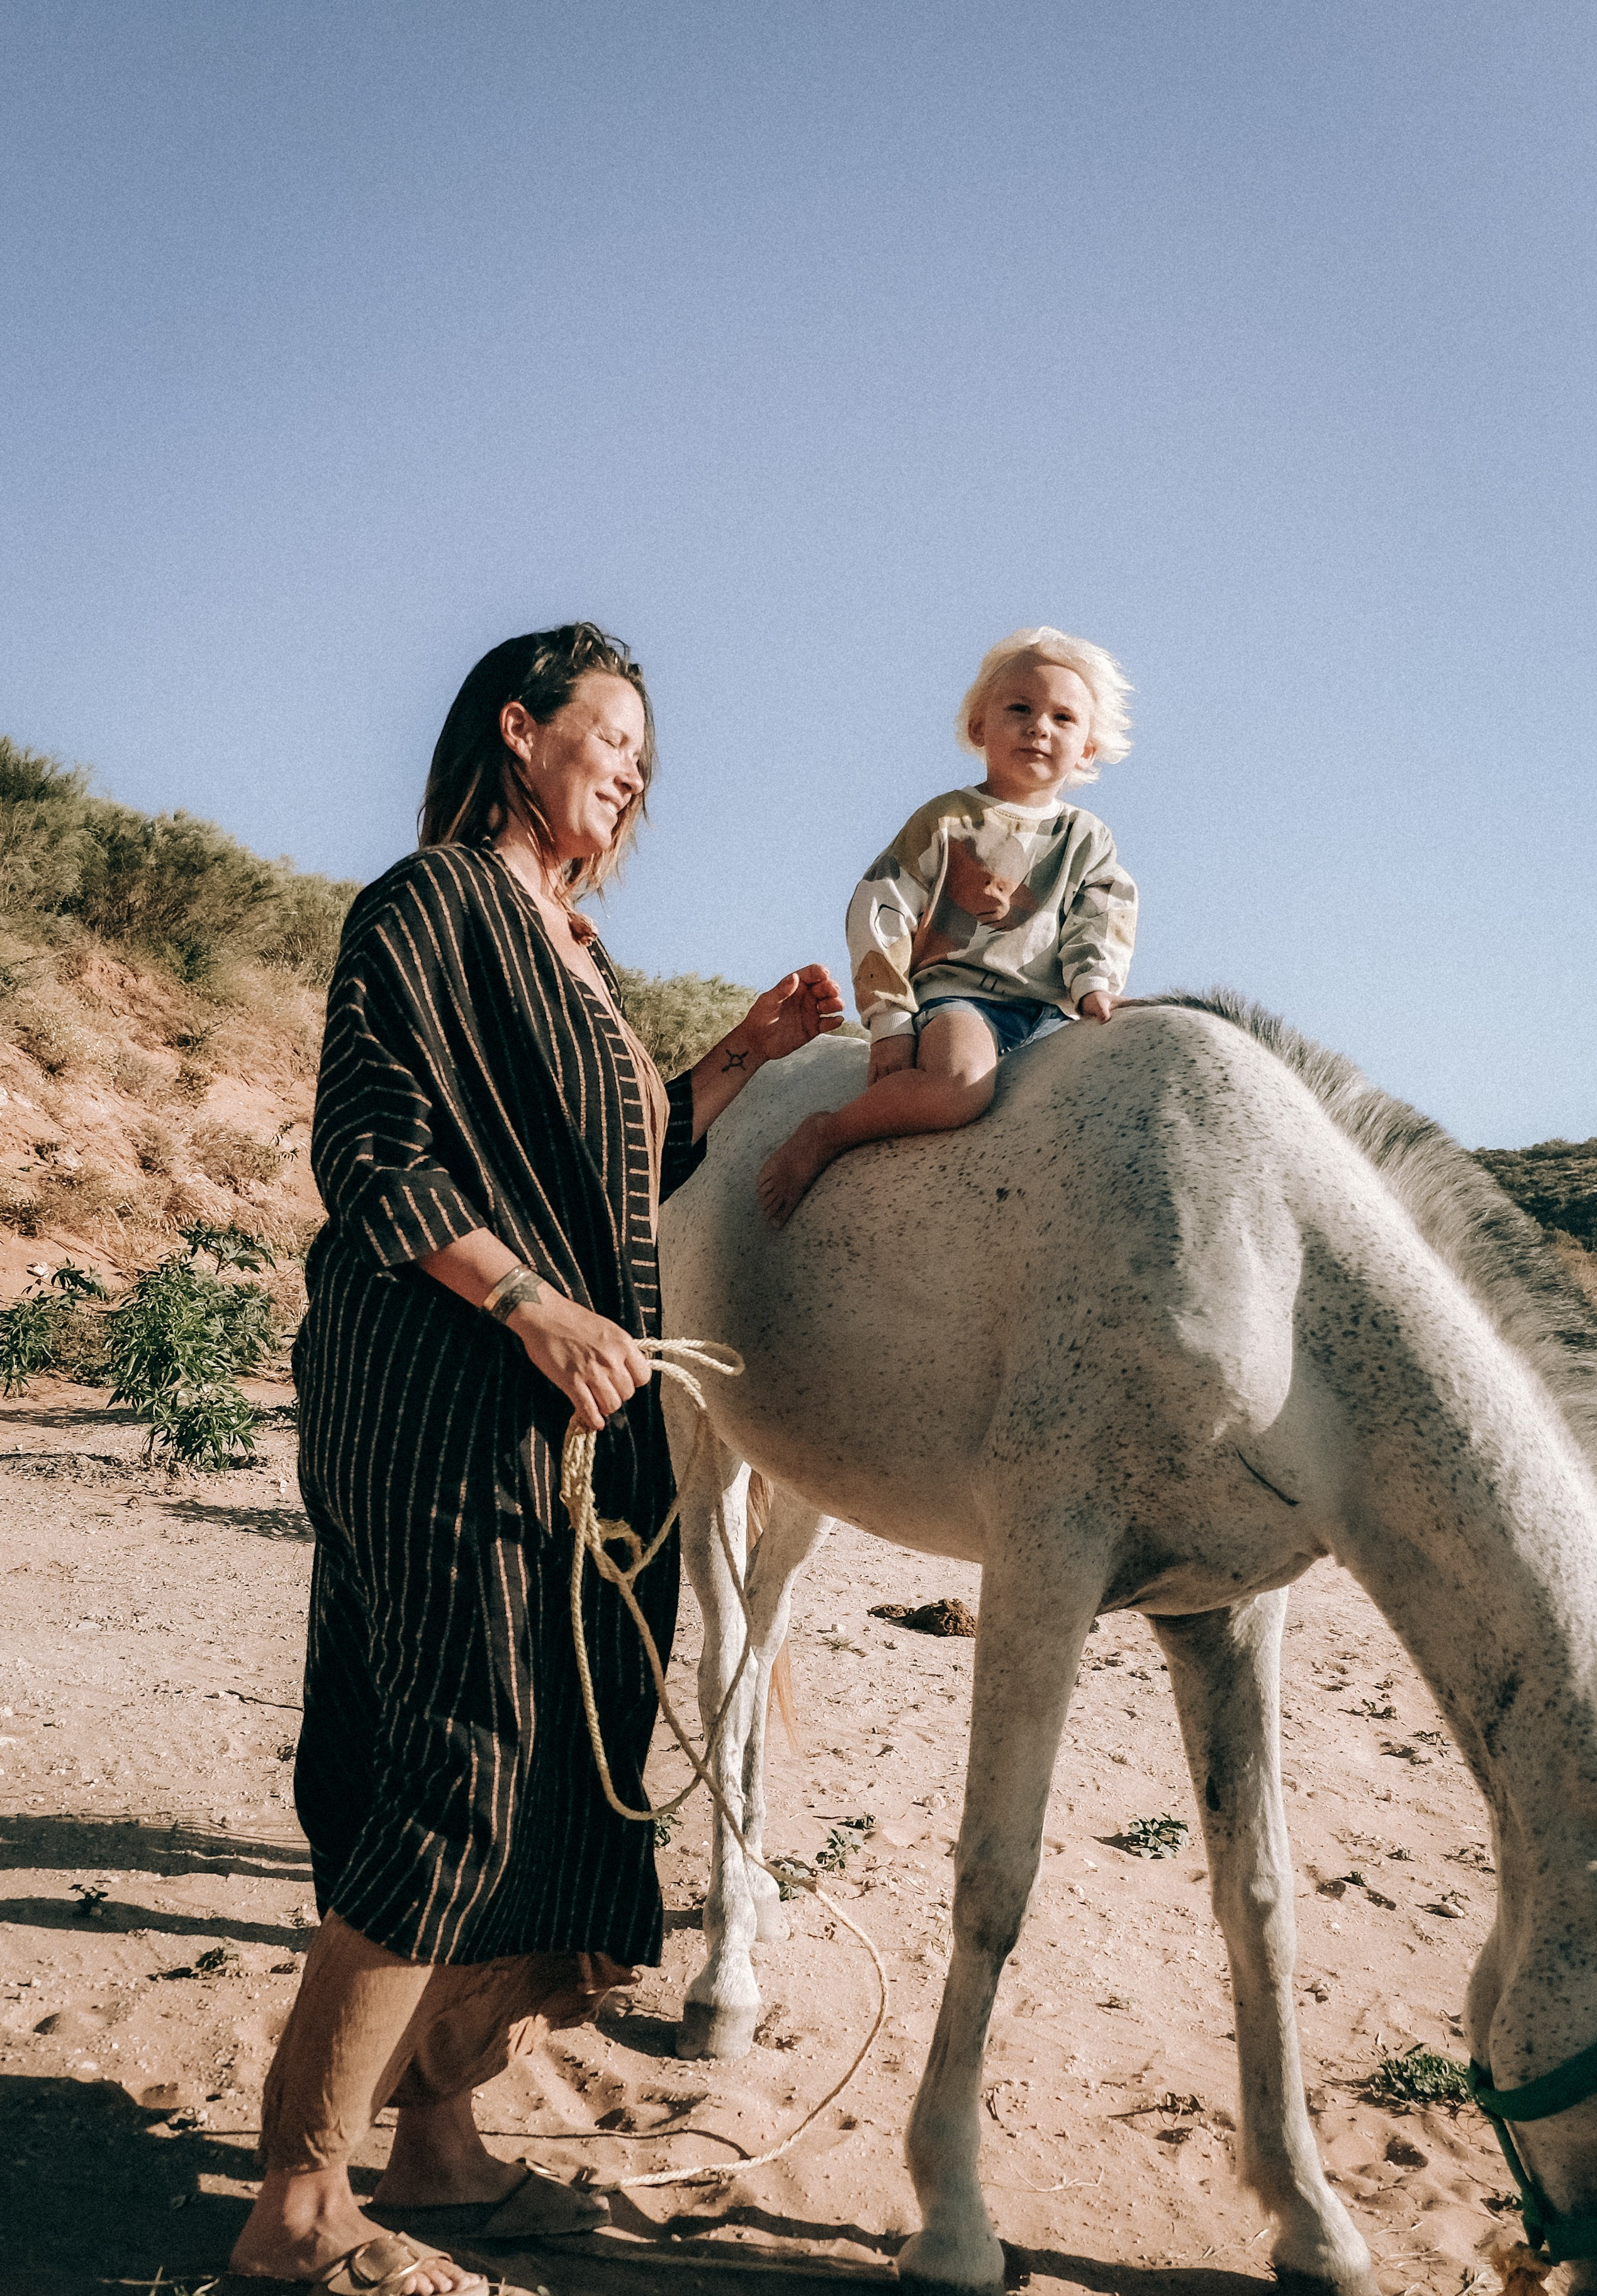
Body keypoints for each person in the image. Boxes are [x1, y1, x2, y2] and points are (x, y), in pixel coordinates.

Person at [225, 623, 843, 2296]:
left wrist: (732, 1065)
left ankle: (437, 2143)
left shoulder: (575, 952)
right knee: (455, 1765)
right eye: (610, 731)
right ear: (519, 729)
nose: (635, 766)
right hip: (439, 1384)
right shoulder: (428, 906)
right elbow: (374, 1147)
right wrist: (529, 1309)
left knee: (556, 1773)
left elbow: (605, 1190)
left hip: (554, 1408)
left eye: (650, 748)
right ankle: (293, 2203)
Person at [757, 627, 1138, 1227]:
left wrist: (1095, 984)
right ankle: (829, 1133)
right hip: (961, 997)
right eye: (1020, 709)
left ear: (1088, 748)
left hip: (1051, 1012)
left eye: (1063, 718)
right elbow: (880, 910)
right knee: (960, 1084)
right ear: (979, 726)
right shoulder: (946, 821)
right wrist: (891, 1021)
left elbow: (1103, 914)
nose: (1040, 726)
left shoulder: (1089, 838)